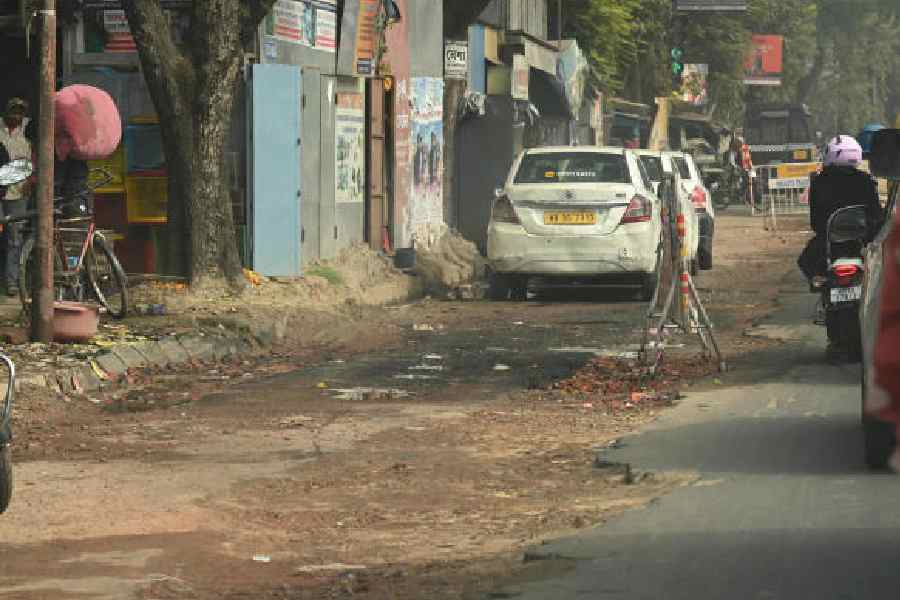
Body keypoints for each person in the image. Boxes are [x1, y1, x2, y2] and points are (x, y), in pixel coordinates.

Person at [797, 135, 883, 283]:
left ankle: (821, 283)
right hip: (861, 241)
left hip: (829, 242)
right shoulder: (866, 180)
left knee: (805, 262)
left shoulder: (819, 181)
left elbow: (815, 223)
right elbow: (876, 214)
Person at [0, 98, 32, 296]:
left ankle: (11, 282)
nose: (16, 116)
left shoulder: (28, 130)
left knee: (15, 238)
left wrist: (32, 178)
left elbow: (36, 157)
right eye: (13, 111)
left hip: (19, 192)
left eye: (20, 112)